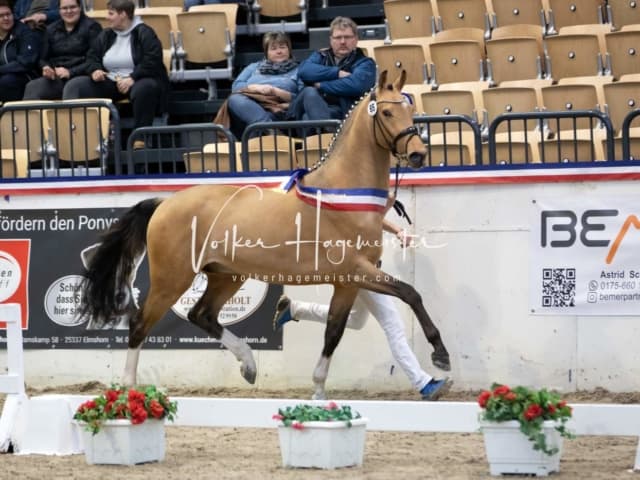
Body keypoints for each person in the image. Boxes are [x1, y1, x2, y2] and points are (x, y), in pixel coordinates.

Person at [273, 198, 451, 401]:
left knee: (356, 320)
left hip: (364, 271)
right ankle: (424, 384)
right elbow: (369, 218)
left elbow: (373, 218)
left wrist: (397, 230)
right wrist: (391, 215)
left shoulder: (360, 203)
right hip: (362, 272)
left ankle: (295, 309)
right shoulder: (353, 203)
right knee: (394, 327)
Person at [62, 0, 169, 146]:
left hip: (139, 79)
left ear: (123, 14)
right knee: (75, 86)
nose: (107, 17)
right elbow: (92, 56)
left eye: (111, 14)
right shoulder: (106, 34)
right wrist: (95, 69)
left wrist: (132, 77)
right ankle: (75, 138)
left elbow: (152, 60)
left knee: (145, 88)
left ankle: (140, 138)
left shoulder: (144, 32)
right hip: (111, 80)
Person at [287, 16, 376, 130]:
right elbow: (304, 71)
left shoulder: (365, 63)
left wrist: (321, 85)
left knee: (307, 117)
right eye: (338, 37)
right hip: (313, 108)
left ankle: (325, 136)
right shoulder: (320, 56)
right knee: (309, 93)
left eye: (347, 37)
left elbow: (356, 85)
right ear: (331, 40)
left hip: (343, 114)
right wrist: (336, 73)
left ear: (356, 39)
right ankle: (328, 135)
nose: (343, 42)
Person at [224, 31, 303, 139]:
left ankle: (264, 130)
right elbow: (236, 87)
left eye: (282, 47)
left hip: (277, 109)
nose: (279, 51)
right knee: (234, 99)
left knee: (256, 128)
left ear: (289, 49)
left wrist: (275, 91)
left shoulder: (299, 70)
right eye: (273, 48)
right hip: (250, 106)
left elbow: (300, 98)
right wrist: (254, 88)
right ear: (266, 52)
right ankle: (269, 128)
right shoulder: (253, 67)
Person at [23, 0, 102, 100]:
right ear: (59, 10)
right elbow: (43, 58)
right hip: (57, 77)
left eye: (72, 7)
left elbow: (95, 59)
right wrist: (46, 68)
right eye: (64, 8)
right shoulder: (51, 29)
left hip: (84, 76)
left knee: (73, 87)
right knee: (33, 87)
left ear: (80, 8)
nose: (68, 11)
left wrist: (70, 72)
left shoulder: (92, 27)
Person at [0, 0, 41, 102]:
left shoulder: (24, 32)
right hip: (4, 75)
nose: (6, 18)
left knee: (7, 81)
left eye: (8, 14)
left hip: (25, 76)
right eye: (1, 16)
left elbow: (26, 62)